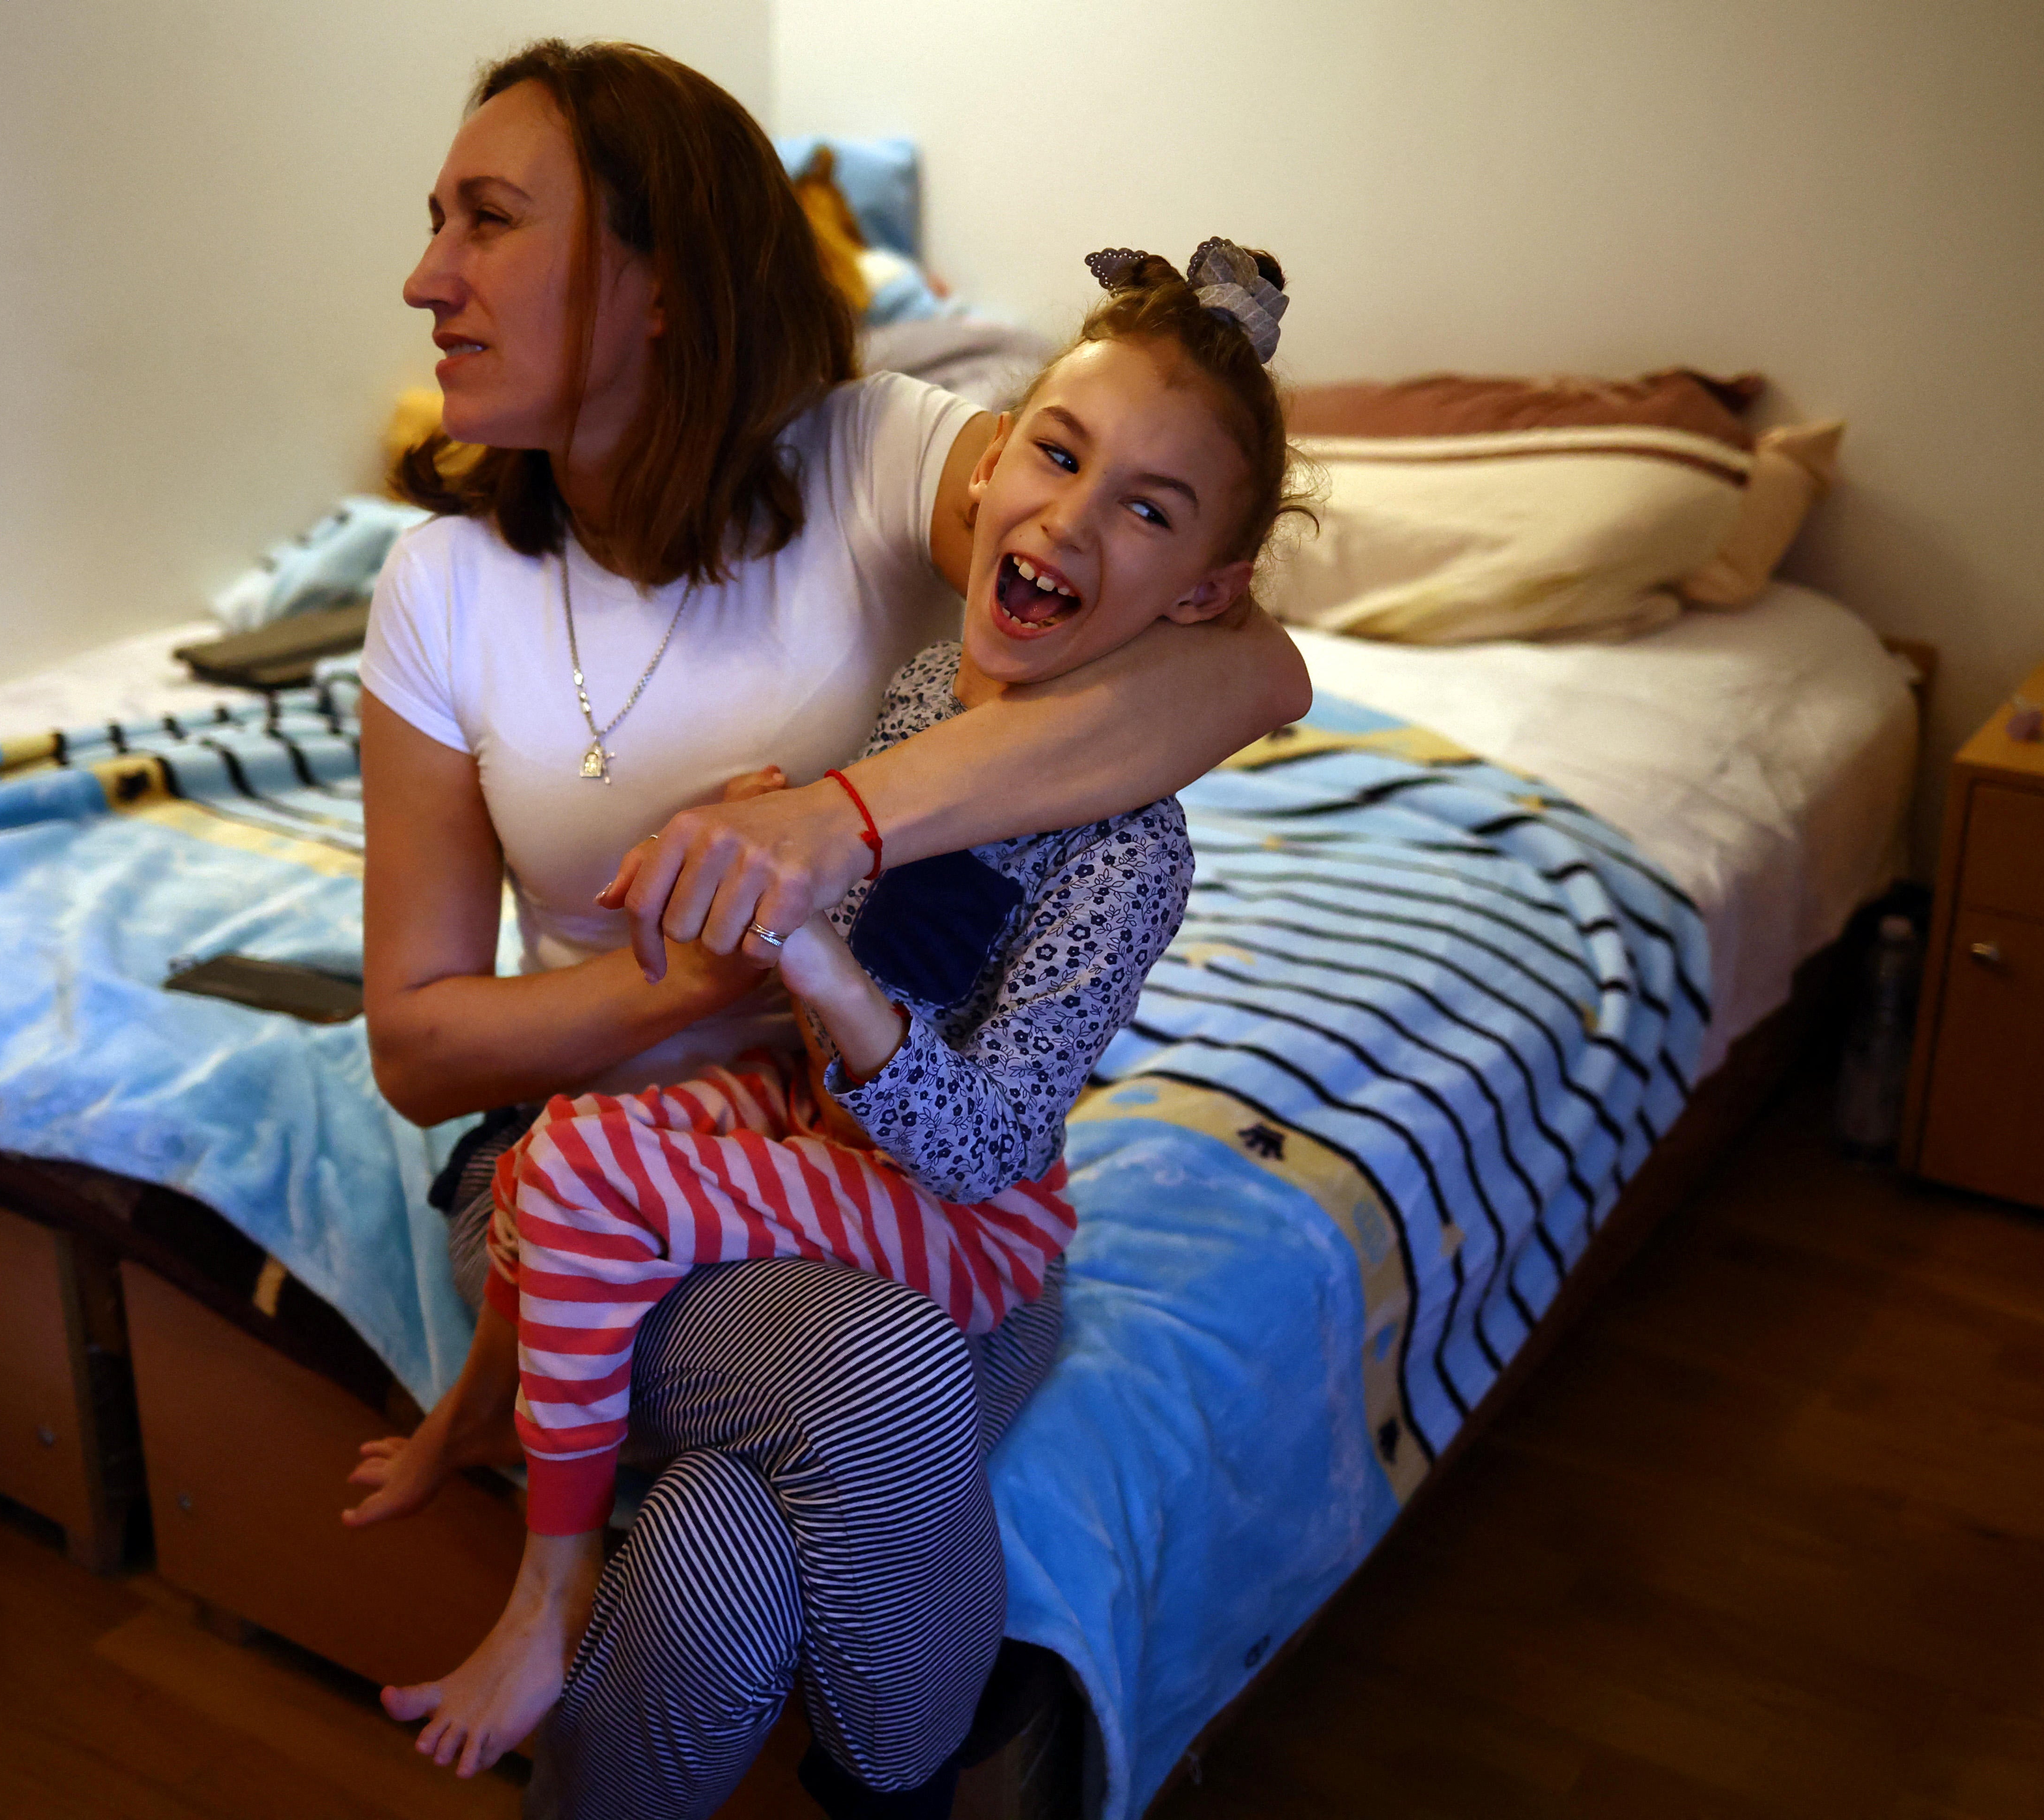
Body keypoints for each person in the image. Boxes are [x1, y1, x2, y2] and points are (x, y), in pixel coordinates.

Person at [342, 38, 1311, 1820]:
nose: (427, 276)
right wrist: (720, 970)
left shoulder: (876, 463)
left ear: (655, 281)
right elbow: (414, 1047)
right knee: (868, 1389)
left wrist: (831, 828)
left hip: (887, 1165)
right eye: (438, 222)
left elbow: (1248, 666)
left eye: (487, 220)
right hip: (603, 1159)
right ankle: (932, 1778)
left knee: (724, 1544)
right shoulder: (438, 588)